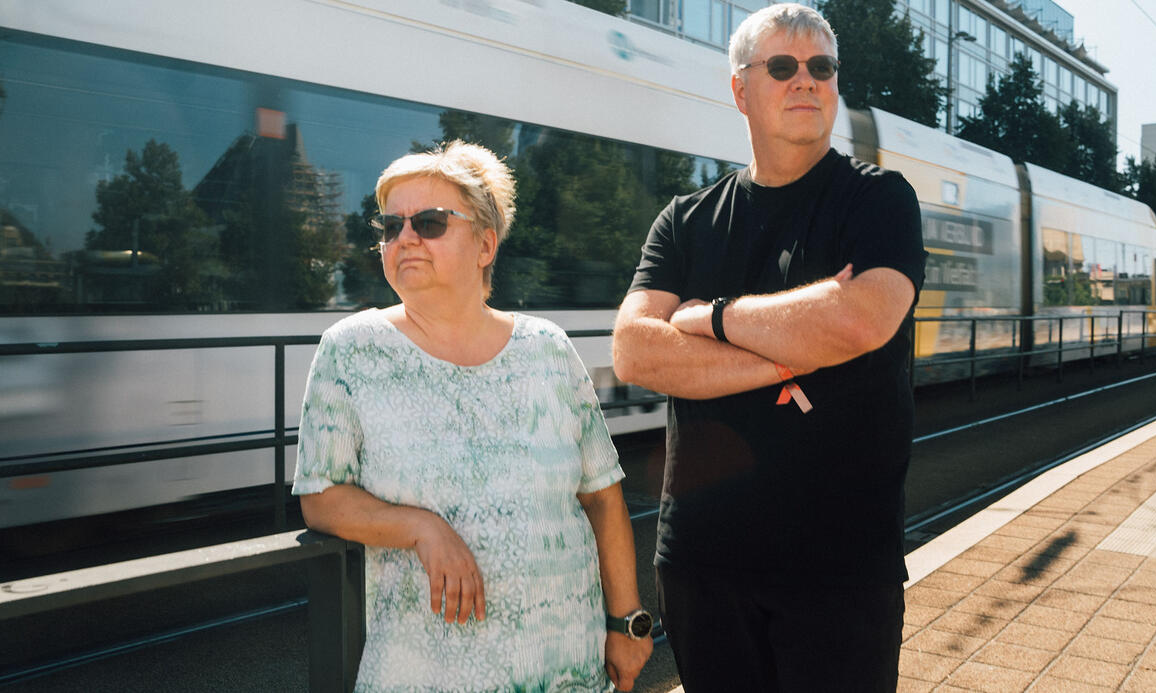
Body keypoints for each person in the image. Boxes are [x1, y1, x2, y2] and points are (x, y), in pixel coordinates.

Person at [610, 4, 927, 692]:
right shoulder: (685, 221)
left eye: (821, 67)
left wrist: (711, 317)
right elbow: (635, 352)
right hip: (702, 566)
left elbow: (858, 322)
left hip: (840, 570)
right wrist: (792, 347)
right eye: (782, 66)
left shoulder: (877, 200)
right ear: (740, 89)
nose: (805, 80)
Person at [295, 141, 653, 691]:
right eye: (392, 226)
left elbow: (602, 498)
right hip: (426, 674)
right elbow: (321, 496)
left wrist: (626, 622)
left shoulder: (548, 349)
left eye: (430, 222)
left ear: (486, 245)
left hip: (566, 670)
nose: (405, 237)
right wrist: (421, 528)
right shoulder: (352, 350)